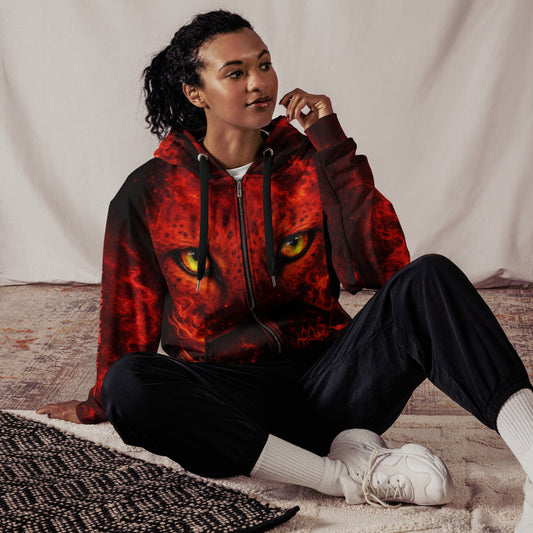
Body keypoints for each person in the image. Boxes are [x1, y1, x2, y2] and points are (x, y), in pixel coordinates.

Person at [37, 9, 533, 530]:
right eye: (235, 72)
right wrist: (99, 403)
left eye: (265, 64)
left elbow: (378, 266)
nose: (259, 83)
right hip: (228, 403)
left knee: (430, 277)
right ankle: (340, 475)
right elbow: (128, 312)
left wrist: (331, 144)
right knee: (128, 383)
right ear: (195, 92)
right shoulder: (150, 191)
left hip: (334, 380)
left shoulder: (311, 161)